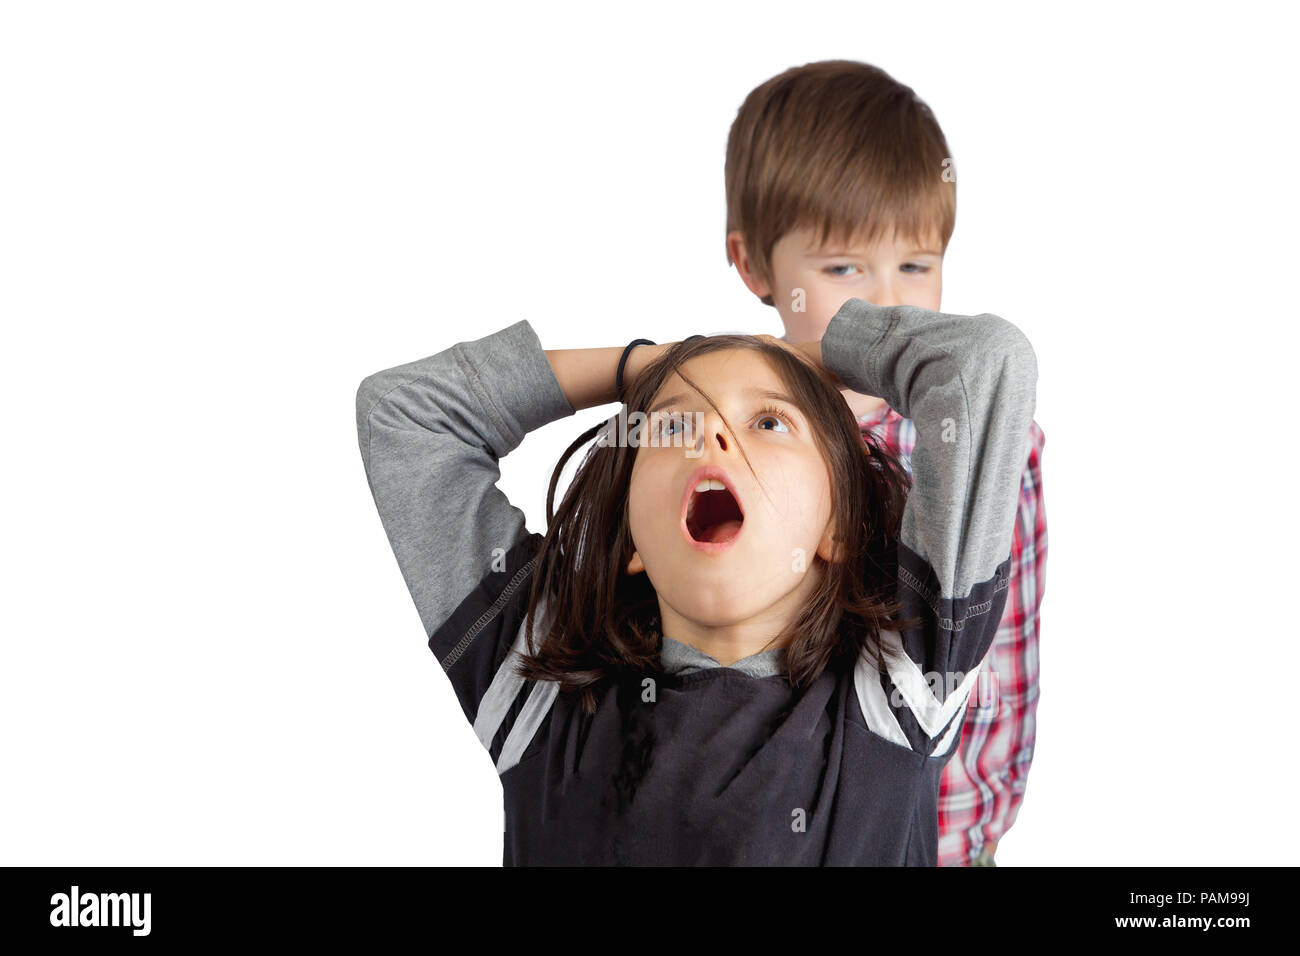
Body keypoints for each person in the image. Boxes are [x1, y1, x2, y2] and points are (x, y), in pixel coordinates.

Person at [354, 295, 1037, 865]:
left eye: (769, 420)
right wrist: (640, 366)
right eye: (675, 421)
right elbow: (403, 414)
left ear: (838, 527)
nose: (709, 436)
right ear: (633, 546)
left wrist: (810, 353)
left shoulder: (898, 686)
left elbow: (982, 364)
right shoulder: (537, 692)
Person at [723, 60, 1048, 866]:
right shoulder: (720, 441)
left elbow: (1006, 663)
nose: (888, 304)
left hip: (944, 839)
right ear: (755, 266)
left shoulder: (1001, 444)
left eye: (915, 264)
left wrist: (967, 843)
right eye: (842, 269)